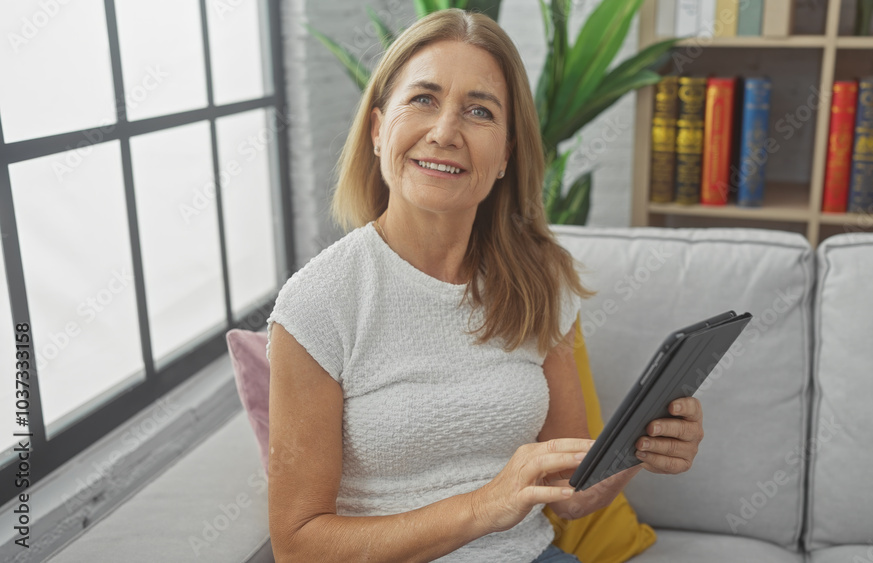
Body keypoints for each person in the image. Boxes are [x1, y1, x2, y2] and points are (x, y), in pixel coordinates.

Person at [265, 9, 704, 562]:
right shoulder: (317, 305)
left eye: (479, 111)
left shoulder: (538, 278)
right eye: (422, 99)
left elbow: (570, 496)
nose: (445, 132)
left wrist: (642, 443)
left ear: (505, 156)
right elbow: (299, 548)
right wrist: (484, 505)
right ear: (378, 131)